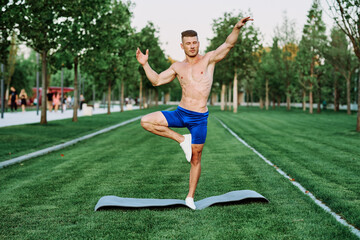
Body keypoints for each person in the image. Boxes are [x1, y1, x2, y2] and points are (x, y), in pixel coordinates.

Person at [136, 17, 253, 209]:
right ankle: (183, 140)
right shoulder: (177, 66)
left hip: (199, 118)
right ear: (181, 46)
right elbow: (156, 80)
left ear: (198, 43)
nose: (192, 46)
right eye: (188, 43)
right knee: (146, 121)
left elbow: (228, 44)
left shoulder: (208, 59)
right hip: (181, 112)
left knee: (196, 157)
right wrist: (145, 64)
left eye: (194, 42)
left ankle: (190, 197)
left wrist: (236, 28)